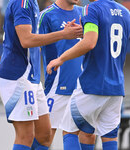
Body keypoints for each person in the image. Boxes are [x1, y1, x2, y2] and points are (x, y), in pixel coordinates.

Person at [0, 0, 82, 150]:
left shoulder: (32, 3)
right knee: (26, 135)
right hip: (18, 76)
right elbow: (26, 40)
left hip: (32, 78)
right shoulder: (22, 2)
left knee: (44, 135)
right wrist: (63, 34)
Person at [47, 0, 130, 149]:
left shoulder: (90, 9)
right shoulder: (126, 12)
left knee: (69, 130)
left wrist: (61, 58)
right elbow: (107, 38)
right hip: (117, 88)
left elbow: (89, 43)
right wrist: (86, 29)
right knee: (109, 136)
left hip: (93, 85)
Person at [38, 0, 96, 149]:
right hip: (58, 87)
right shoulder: (46, 15)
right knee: (44, 137)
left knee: (88, 135)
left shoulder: (84, 12)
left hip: (83, 87)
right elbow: (33, 47)